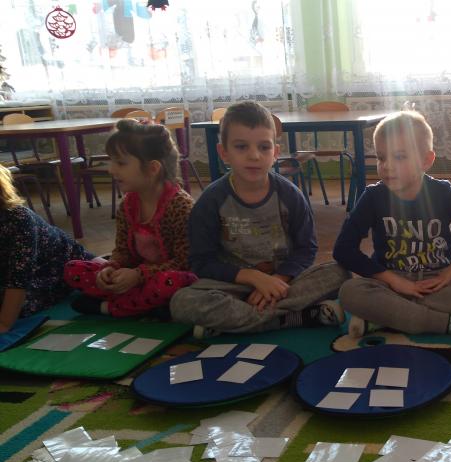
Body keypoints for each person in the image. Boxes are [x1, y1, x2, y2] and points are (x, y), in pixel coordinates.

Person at [169, 101, 349, 337]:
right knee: (182, 301)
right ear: (224, 153)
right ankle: (292, 317)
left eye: (264, 147)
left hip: (284, 283)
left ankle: (239, 320)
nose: (254, 155)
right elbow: (201, 262)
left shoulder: (290, 195)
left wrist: (277, 280)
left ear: (275, 153)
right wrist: (252, 277)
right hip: (232, 286)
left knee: (340, 273)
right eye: (241, 147)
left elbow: (306, 249)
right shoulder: (211, 201)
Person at [334, 110, 451, 338]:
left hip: (437, 283)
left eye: (399, 157)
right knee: (350, 291)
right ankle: (447, 323)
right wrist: (394, 281)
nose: (387, 166)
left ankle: (388, 318)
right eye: (381, 157)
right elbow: (343, 249)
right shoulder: (373, 198)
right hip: (391, 284)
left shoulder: (442, 193)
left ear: (426, 160)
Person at [64, 119, 197, 317]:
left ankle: (108, 307)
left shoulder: (180, 207)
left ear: (152, 169)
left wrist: (139, 275)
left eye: (121, 163)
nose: (111, 169)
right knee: (73, 268)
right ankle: (140, 304)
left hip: (167, 278)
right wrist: (111, 268)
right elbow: (122, 251)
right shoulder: (128, 205)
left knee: (169, 283)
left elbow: (185, 262)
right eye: (112, 161)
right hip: (135, 277)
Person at [0, 166, 93, 332]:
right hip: (16, 273)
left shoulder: (17, 219)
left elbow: (18, 279)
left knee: (13, 304)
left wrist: (4, 324)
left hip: (59, 268)